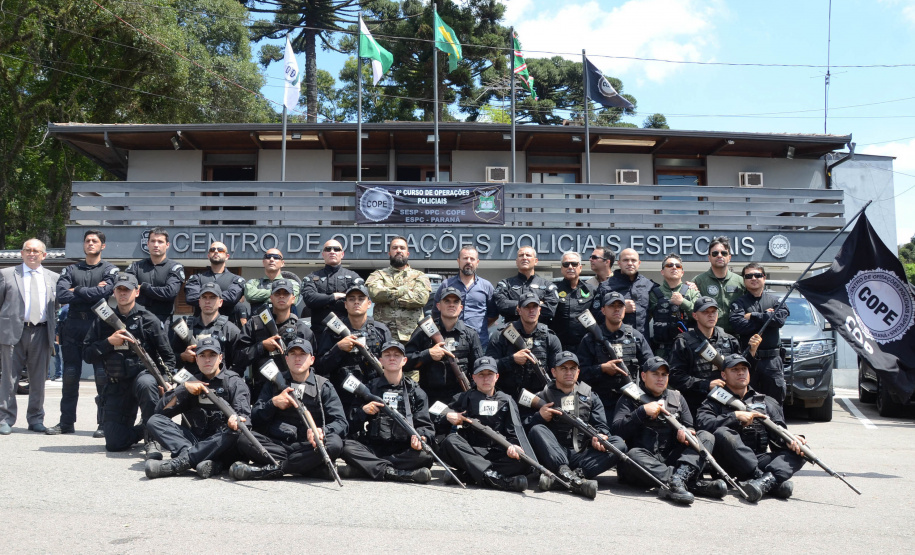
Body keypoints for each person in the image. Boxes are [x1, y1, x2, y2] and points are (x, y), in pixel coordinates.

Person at [82, 273, 175, 457]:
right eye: (119, 289)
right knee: (114, 444)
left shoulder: (149, 320)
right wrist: (109, 342)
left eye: (127, 289)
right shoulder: (103, 320)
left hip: (142, 378)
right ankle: (143, 429)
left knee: (147, 384)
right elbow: (87, 354)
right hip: (117, 384)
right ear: (114, 292)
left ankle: (153, 440)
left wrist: (166, 381)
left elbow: (168, 357)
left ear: (137, 292)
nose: (123, 293)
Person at [611, 357, 726, 505]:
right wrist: (641, 412)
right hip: (643, 464)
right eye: (655, 374)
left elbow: (689, 426)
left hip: (671, 458)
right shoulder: (629, 398)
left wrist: (686, 433)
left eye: (664, 375)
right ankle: (690, 484)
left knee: (706, 437)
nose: (660, 378)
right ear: (644, 376)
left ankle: (678, 480)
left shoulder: (677, 397)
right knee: (632, 455)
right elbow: (616, 432)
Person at [230, 338, 348, 481]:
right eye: (293, 354)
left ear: (311, 359)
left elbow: (341, 422)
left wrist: (322, 431)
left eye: (302, 354)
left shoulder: (324, 386)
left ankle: (273, 470)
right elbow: (254, 418)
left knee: (335, 443)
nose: (297, 358)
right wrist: (272, 404)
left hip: (309, 446)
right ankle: (308, 468)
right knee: (244, 439)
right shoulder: (273, 383)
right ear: (286, 359)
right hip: (278, 445)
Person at [697, 354, 807, 502]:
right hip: (728, 464)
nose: (741, 373)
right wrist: (734, 417)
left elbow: (778, 432)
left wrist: (789, 441)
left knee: (802, 450)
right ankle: (764, 478)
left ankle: (766, 481)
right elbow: (703, 426)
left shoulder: (766, 401)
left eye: (744, 369)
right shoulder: (712, 401)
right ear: (724, 375)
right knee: (723, 433)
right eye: (735, 370)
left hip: (759, 457)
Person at [523, 352, 628, 499]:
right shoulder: (542, 396)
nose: (569, 372)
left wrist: (599, 437)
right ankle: (569, 476)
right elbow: (523, 429)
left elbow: (602, 426)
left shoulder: (590, 396)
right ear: (554, 372)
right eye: (563, 368)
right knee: (537, 429)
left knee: (618, 444)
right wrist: (539, 416)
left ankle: (564, 478)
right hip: (553, 454)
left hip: (582, 454)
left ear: (578, 372)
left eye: (573, 368)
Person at [144, 338, 249, 479]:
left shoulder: (234, 382)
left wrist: (234, 422)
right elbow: (160, 413)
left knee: (237, 432)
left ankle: (182, 462)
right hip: (195, 441)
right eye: (202, 356)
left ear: (220, 358)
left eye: (212, 355)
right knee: (154, 421)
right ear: (197, 359)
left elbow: (245, 419)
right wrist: (183, 389)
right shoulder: (191, 382)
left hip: (223, 444)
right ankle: (206, 461)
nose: (207, 360)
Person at [47, 229, 118, 437]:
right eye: (87, 241)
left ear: (102, 246)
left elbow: (105, 292)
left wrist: (75, 291)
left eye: (95, 241)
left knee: (102, 378)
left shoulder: (110, 270)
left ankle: (104, 424)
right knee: (69, 377)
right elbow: (61, 294)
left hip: (98, 328)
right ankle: (66, 423)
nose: (90, 244)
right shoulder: (70, 269)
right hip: (73, 328)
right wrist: (90, 292)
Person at [338, 341, 434, 483]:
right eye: (387, 355)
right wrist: (363, 411)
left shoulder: (416, 392)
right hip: (374, 448)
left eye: (397, 355)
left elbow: (426, 427)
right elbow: (349, 425)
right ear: (381, 360)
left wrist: (421, 438)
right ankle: (399, 473)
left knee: (426, 456)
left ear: (404, 360)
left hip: (403, 450)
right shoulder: (369, 389)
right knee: (346, 447)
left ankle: (366, 468)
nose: (392, 358)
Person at [437, 357, 533, 492]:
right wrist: (448, 417)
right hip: (471, 451)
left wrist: (514, 446)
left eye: (490, 374)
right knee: (451, 441)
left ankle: (472, 475)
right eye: (481, 375)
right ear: (474, 378)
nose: (485, 378)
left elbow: (514, 431)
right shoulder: (463, 397)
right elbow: (435, 414)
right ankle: (497, 479)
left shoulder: (507, 400)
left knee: (524, 461)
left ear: (497, 377)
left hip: (497, 453)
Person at [0, 238, 60, 435]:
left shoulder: (53, 277)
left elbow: (56, 307)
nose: (32, 253)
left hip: (42, 331)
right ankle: (5, 418)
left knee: (38, 378)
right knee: (9, 378)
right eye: (28, 250)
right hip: (13, 332)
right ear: (22, 253)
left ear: (44, 255)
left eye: (36, 251)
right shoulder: (7, 274)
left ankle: (35, 418)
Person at [577, 291, 653, 422]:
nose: (617, 309)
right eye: (612, 306)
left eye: (620, 306)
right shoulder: (590, 339)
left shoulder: (635, 336)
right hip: (600, 401)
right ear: (603, 310)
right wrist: (602, 368)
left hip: (631, 400)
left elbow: (651, 366)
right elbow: (579, 373)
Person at [668, 297, 748, 420]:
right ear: (695, 315)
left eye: (713, 312)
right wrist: (706, 385)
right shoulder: (684, 342)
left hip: (727, 403)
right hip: (695, 403)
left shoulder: (730, 340)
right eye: (705, 312)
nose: (711, 316)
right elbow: (675, 377)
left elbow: (741, 371)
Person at [315, 284, 392, 408]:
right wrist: (338, 349)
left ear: (369, 304)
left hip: (374, 394)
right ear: (345, 304)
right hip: (342, 397)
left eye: (361, 299)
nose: (356, 302)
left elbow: (391, 365)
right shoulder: (332, 331)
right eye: (351, 299)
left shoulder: (381, 331)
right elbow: (320, 367)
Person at [235, 279, 314, 397]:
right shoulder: (254, 324)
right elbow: (238, 358)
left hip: (293, 390)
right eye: (277, 294)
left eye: (286, 294)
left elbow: (313, 366)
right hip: (261, 391)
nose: (281, 297)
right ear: (271, 298)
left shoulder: (302, 329)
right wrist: (261, 346)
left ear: (293, 298)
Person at [405, 287, 483, 404]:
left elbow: (479, 368)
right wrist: (428, 354)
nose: (451, 305)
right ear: (438, 306)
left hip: (461, 397)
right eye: (447, 301)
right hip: (429, 398)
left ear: (461, 308)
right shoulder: (424, 331)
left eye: (455, 302)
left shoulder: (470, 334)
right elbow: (404, 362)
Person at [365, 236, 431, 372]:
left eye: (402, 248)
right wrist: (404, 290)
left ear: (408, 253)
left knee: (412, 376)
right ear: (389, 253)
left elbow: (421, 299)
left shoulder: (420, 276)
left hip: (412, 338)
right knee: (384, 375)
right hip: (385, 336)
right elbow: (375, 294)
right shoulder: (378, 275)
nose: (398, 250)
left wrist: (389, 297)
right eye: (394, 248)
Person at [729, 263, 789, 404]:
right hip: (749, 360)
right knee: (749, 402)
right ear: (744, 280)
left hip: (772, 361)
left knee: (775, 403)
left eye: (757, 275)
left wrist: (753, 315)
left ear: (764, 277)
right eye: (749, 276)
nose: (753, 278)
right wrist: (767, 317)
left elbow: (779, 320)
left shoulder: (775, 301)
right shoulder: (738, 303)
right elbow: (739, 326)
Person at [485, 292, 562, 399]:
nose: (531, 311)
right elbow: (487, 368)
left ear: (539, 310)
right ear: (519, 310)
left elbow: (558, 372)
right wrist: (512, 359)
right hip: (507, 397)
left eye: (535, 307)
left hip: (541, 397)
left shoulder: (550, 337)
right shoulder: (501, 335)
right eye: (527, 307)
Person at [427, 245, 497, 349]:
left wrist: (479, 328)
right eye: (465, 258)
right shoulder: (446, 285)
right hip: (451, 343)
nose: (468, 261)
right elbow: (436, 313)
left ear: (477, 262)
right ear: (458, 261)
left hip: (480, 343)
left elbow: (493, 315)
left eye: (472, 259)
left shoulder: (486, 286)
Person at [170, 282, 242, 376]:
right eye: (204, 297)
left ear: (220, 302)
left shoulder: (230, 329)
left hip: (220, 383)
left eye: (212, 297)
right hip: (191, 382)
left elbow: (239, 364)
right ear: (199, 302)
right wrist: (183, 357)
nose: (207, 301)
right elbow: (170, 359)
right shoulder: (185, 327)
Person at [301, 239, 364, 340]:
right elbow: (310, 299)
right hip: (320, 334)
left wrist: (322, 303)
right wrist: (335, 296)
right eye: (328, 249)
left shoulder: (353, 276)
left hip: (346, 333)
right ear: (323, 254)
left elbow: (354, 301)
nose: (332, 251)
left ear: (342, 254)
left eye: (336, 249)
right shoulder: (311, 277)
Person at [593, 248, 661, 339]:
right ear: (619, 263)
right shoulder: (606, 287)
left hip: (642, 343)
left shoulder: (649, 285)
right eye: (625, 260)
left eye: (633, 260)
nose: (630, 263)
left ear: (639, 263)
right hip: (615, 343)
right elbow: (595, 316)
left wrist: (686, 287)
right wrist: (621, 308)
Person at [125, 227, 184, 325]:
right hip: (138, 320)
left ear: (167, 245)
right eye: (153, 241)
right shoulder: (136, 266)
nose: (156, 245)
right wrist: (159, 292)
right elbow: (127, 288)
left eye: (160, 242)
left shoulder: (175, 267)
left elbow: (170, 292)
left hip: (163, 321)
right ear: (147, 244)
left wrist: (143, 287)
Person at [648, 253, 700, 358]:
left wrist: (683, 302)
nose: (674, 268)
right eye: (669, 265)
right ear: (662, 272)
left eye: (678, 266)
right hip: (661, 350)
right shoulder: (653, 293)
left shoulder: (692, 292)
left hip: (687, 349)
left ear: (682, 272)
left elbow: (700, 316)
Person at [493, 246, 559, 325]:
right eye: (521, 255)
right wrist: (537, 304)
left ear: (535, 261)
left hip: (540, 334)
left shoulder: (548, 285)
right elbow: (501, 305)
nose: (524, 258)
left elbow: (550, 310)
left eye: (528, 255)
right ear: (517, 261)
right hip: (512, 334)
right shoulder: (505, 284)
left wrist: (515, 307)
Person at [692, 237, 745, 335]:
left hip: (736, 336)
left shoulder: (740, 281)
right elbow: (692, 309)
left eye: (724, 253)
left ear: (729, 257)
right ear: (709, 257)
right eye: (715, 253)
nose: (719, 256)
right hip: (708, 336)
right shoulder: (698, 281)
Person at [183, 241, 246, 318]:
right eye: (212, 250)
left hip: (227, 327)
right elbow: (191, 297)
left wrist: (205, 297)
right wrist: (218, 298)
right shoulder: (197, 278)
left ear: (227, 256)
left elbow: (232, 298)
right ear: (208, 256)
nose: (216, 251)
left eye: (220, 250)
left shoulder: (236, 280)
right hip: (200, 327)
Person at [551, 251, 595, 351]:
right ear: (562, 268)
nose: (570, 267)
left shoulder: (591, 290)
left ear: (580, 267)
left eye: (574, 264)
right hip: (559, 347)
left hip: (585, 348)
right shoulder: (552, 290)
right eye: (566, 264)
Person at [244, 248, 300, 316]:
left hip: (285, 324)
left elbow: (292, 300)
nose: (271, 259)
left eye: (276, 257)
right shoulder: (253, 282)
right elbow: (250, 296)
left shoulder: (292, 283)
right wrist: (278, 294)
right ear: (263, 262)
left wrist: (260, 298)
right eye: (268, 257)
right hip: (258, 324)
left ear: (282, 263)